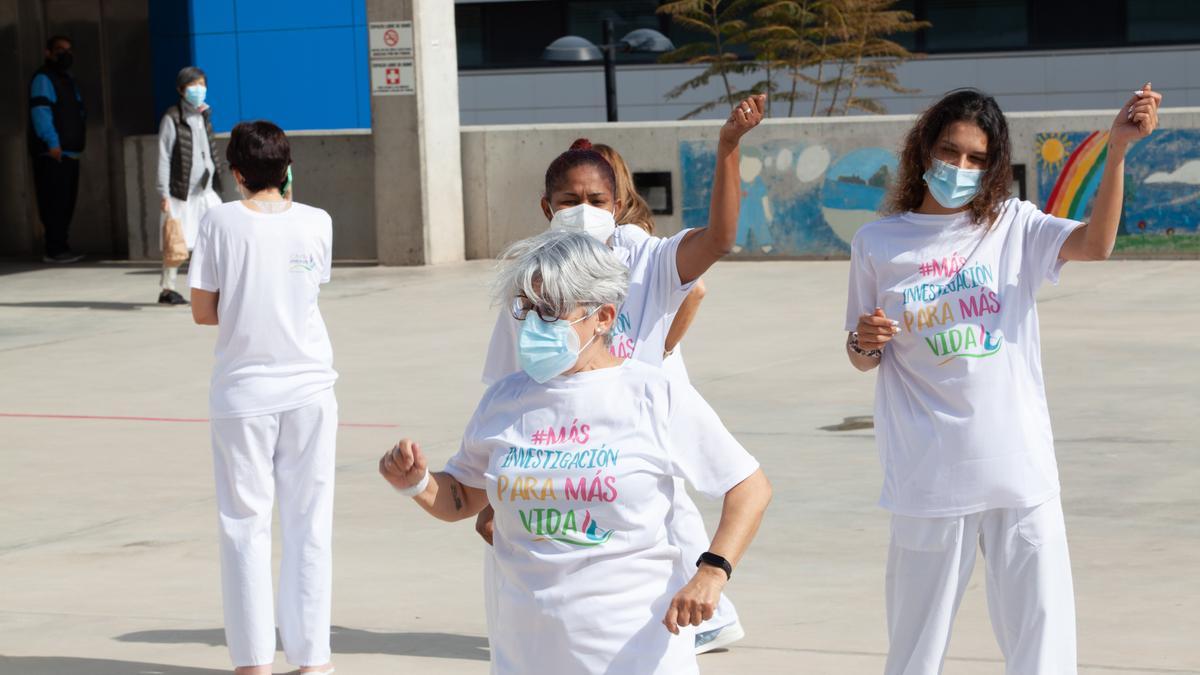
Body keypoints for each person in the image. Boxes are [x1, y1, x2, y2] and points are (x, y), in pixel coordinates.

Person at [844, 85, 1161, 674]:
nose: (959, 167)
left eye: (975, 158)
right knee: (915, 647)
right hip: (928, 478)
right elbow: (863, 356)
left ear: (992, 167)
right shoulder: (878, 243)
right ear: (922, 151)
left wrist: (1117, 152)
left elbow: (1097, 243)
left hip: (1018, 473)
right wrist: (865, 341)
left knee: (1042, 644)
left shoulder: (1013, 226)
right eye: (949, 151)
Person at [379, 229, 772, 674]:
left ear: (603, 316)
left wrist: (712, 571)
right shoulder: (504, 401)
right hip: (525, 652)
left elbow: (748, 486)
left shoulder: (652, 395)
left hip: (634, 654)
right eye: (525, 309)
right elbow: (462, 498)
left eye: (550, 311)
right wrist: (417, 483)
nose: (532, 325)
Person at [476, 96, 765, 653]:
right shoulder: (535, 277)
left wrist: (727, 148)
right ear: (546, 207)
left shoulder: (644, 256)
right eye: (569, 201)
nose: (582, 210)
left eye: (595, 200)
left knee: (663, 545)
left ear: (618, 204)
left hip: (637, 439)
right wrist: (493, 488)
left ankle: (701, 618)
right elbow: (507, 385)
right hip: (562, 447)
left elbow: (717, 245)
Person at [189, 121, 337, 675]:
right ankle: (311, 659)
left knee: (244, 525)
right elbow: (306, 287)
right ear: (288, 168)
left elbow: (204, 311)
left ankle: (252, 662)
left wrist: (245, 305)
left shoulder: (219, 221)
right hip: (310, 389)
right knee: (309, 524)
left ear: (236, 173)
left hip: (243, 393)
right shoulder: (317, 223)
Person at [593, 142, 705, 383]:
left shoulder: (627, 236)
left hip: (653, 380)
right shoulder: (609, 238)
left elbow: (696, 290)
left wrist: (664, 347)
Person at [156, 66, 224, 305]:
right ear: (181, 89)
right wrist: (164, 192)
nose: (199, 90)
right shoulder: (172, 118)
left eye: (202, 84)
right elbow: (164, 156)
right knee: (177, 241)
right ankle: (167, 289)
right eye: (193, 85)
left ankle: (217, 285)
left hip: (205, 190)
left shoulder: (204, 114)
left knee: (219, 231)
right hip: (181, 192)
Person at [28, 35, 86, 264]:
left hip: (70, 152)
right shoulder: (44, 78)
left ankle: (61, 246)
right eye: (60, 50)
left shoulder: (68, 80)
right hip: (54, 154)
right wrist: (52, 143)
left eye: (68, 50)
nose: (65, 54)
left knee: (66, 203)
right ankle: (54, 248)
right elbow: (41, 112)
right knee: (53, 203)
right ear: (48, 52)